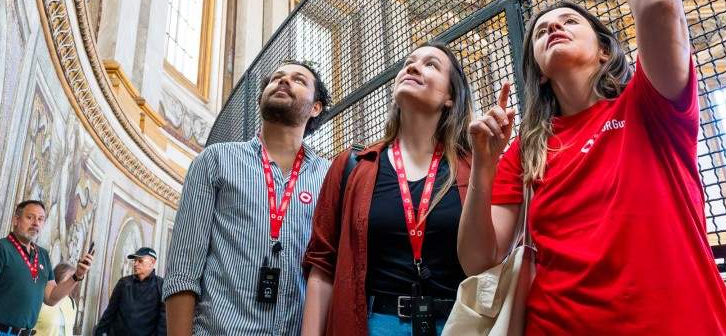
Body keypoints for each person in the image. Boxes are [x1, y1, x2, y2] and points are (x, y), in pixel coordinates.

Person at [457, 0, 726, 334]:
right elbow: (478, 259)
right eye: (542, 31)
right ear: (540, 73)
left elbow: (659, 4)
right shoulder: (526, 151)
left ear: (604, 51)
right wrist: (485, 169)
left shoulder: (651, 103)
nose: (553, 28)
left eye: (569, 22)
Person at [302, 43, 473, 336]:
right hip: (373, 325)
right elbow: (323, 264)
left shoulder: (473, 168)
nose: (413, 66)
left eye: (431, 64)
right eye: (409, 62)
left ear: (450, 97)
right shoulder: (352, 164)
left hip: (457, 326)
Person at [163, 61, 332, 335]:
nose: (284, 81)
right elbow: (183, 270)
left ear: (316, 107)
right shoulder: (215, 161)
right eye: (276, 77)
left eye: (298, 80)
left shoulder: (329, 176)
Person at [0, 200, 94, 336]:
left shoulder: (43, 255)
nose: (36, 223)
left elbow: (51, 298)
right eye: (30, 217)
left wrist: (77, 275)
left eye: (41, 219)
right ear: (16, 220)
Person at [94, 247, 166, 336]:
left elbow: (163, 321)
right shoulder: (124, 283)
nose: (135, 264)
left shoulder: (161, 285)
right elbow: (110, 312)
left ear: (152, 262)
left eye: (140, 261)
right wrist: (99, 332)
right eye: (135, 261)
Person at [34, 263, 78, 336]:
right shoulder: (42, 297)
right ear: (58, 275)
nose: (72, 282)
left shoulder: (71, 302)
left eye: (75, 279)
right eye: (70, 277)